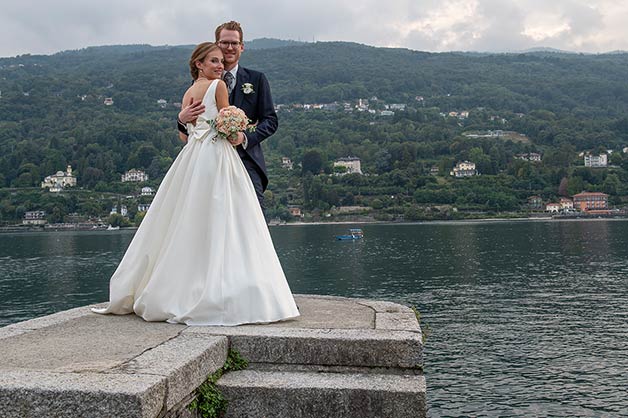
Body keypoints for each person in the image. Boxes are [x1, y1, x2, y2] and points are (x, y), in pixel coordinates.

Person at [92, 42, 299, 326]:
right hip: (217, 156)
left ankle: (186, 286)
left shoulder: (188, 92)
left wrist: (185, 120)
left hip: (193, 158)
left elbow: (185, 135)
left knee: (189, 219)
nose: (219, 66)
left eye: (220, 61)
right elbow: (226, 120)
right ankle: (228, 289)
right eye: (213, 61)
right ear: (198, 64)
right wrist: (234, 126)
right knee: (229, 218)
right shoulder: (219, 87)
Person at [178, 21, 277, 210]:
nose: (229, 47)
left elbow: (271, 121)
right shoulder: (198, 83)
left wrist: (244, 137)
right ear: (217, 44)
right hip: (209, 161)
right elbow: (192, 128)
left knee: (251, 217)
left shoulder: (257, 79)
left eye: (234, 43)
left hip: (247, 160)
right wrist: (180, 120)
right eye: (224, 43)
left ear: (242, 47)